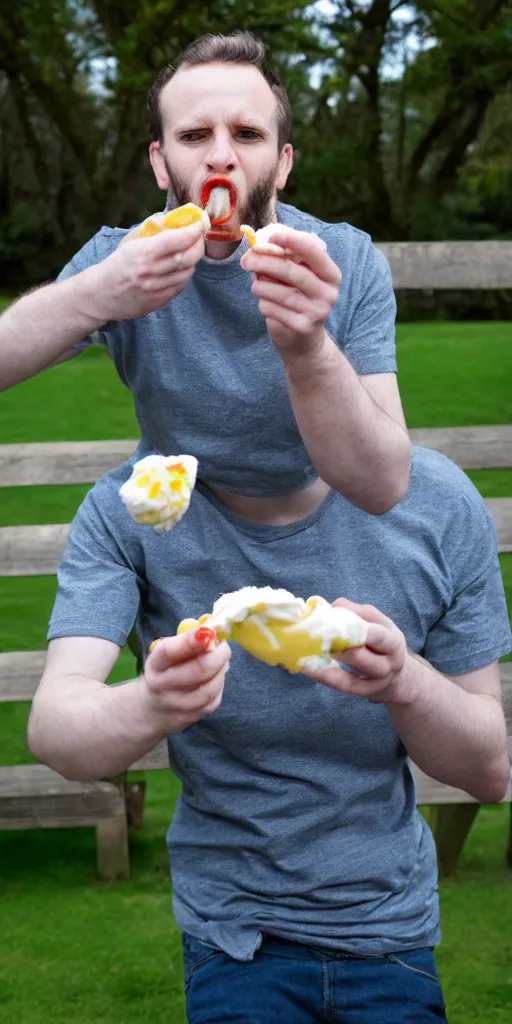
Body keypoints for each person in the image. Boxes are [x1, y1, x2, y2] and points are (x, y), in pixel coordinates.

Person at [28, 442, 511, 1023]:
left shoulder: (437, 500)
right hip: (235, 937)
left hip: (388, 928)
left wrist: (406, 681)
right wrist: (153, 703)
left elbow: (487, 771)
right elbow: (56, 733)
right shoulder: (134, 505)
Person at [0, 31, 411, 516]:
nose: (220, 156)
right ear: (160, 163)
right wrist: (96, 294)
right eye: (194, 136)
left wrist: (308, 347)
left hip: (324, 514)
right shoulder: (125, 256)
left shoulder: (345, 258)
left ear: (282, 165)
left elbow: (382, 486)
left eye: (247, 134)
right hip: (172, 517)